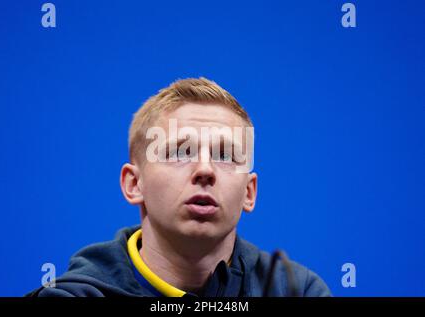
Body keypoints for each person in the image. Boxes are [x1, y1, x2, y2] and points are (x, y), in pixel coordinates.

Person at [27, 77, 331, 297]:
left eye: (225, 156)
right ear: (134, 184)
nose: (205, 170)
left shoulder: (297, 291)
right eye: (180, 153)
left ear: (249, 192)